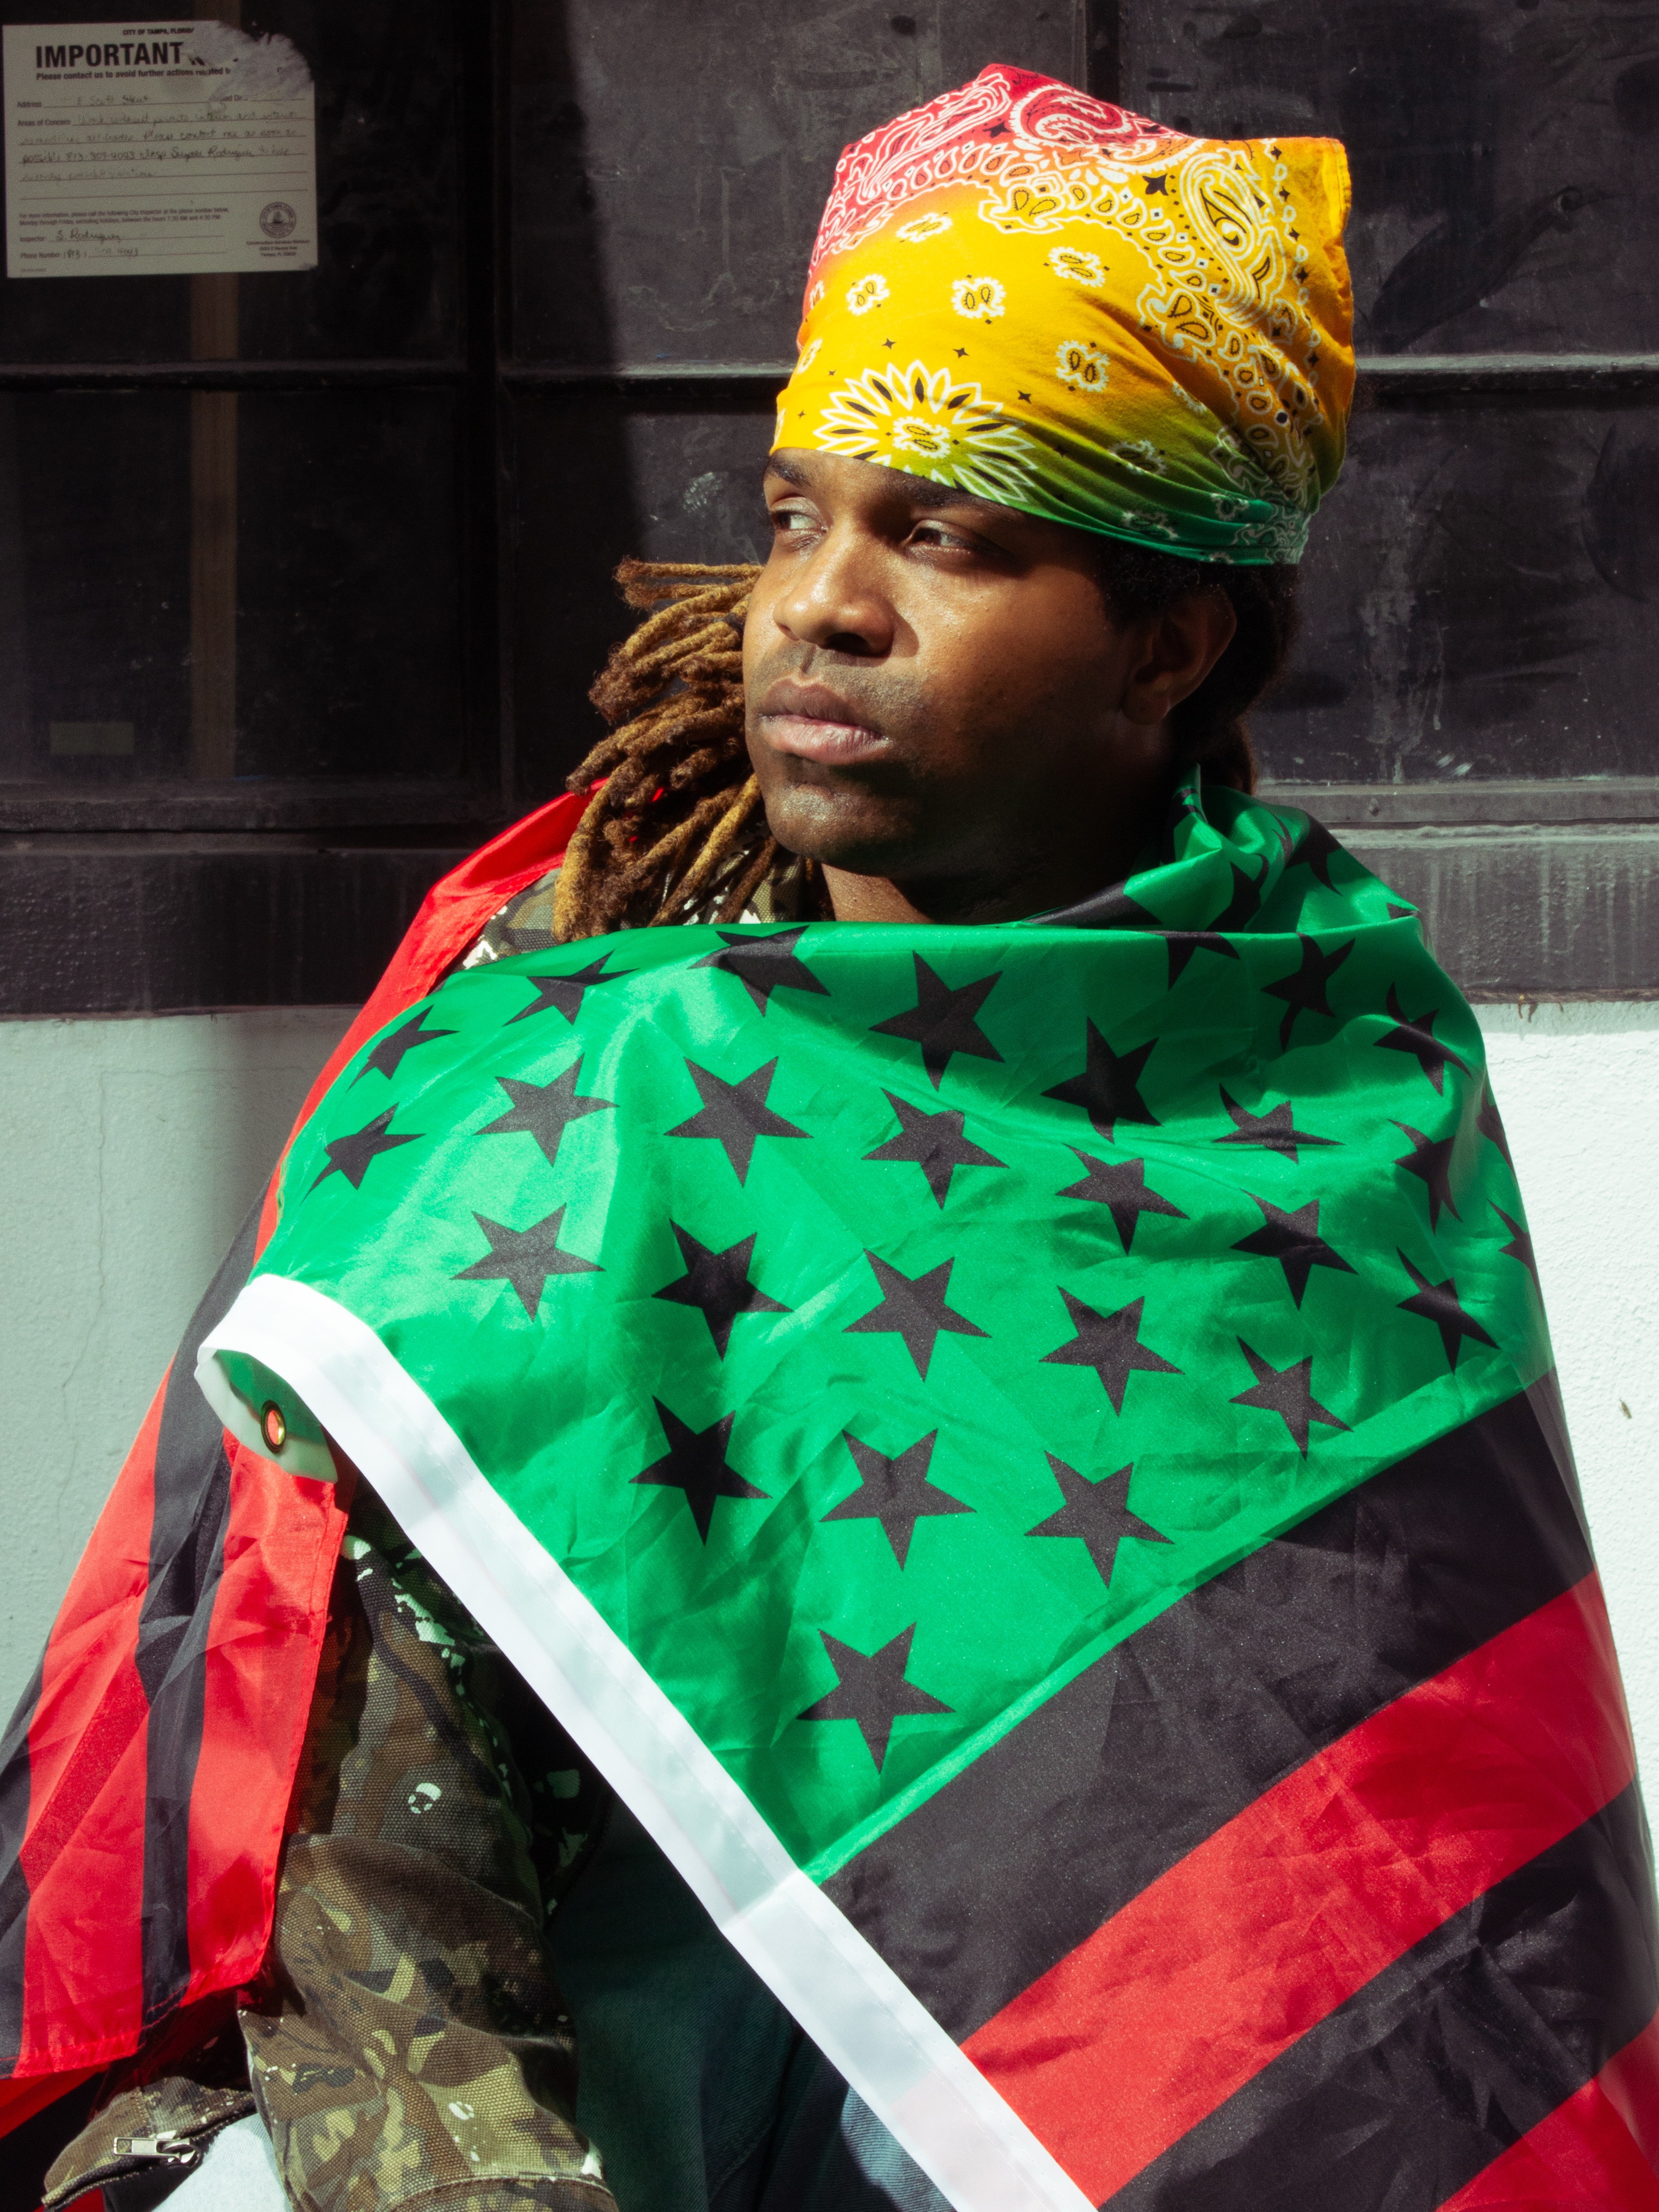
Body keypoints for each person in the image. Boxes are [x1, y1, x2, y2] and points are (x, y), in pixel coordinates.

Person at [6, 62, 1656, 2212]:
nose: (817, 603)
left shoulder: (1327, 1052)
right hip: (541, 2112)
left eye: (943, 534)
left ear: (1163, 644)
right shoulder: (586, 1045)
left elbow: (1387, 1854)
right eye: (798, 515)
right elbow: (364, 1839)